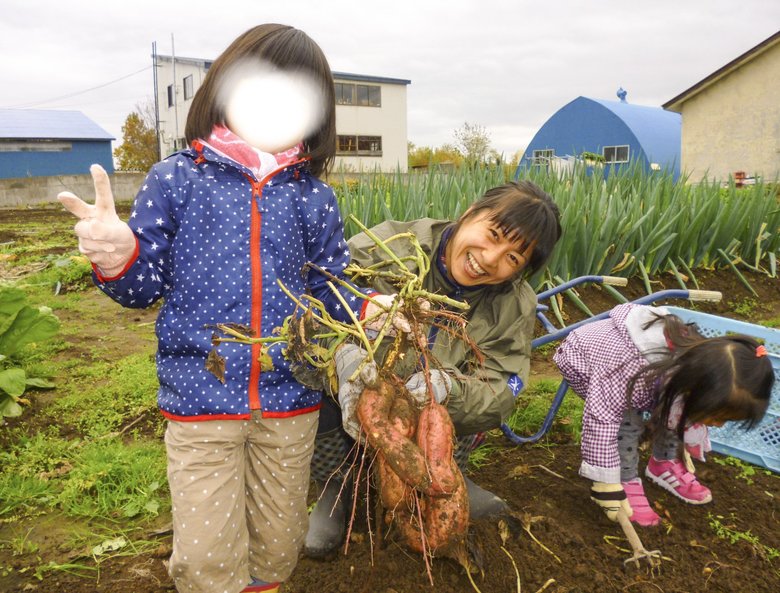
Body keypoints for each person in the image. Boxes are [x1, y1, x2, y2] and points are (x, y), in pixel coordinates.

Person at [57, 23, 404, 593]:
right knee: (206, 558)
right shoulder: (176, 179)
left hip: (288, 400)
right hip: (200, 401)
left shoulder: (313, 196)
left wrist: (369, 308)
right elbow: (141, 288)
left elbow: (329, 288)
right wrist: (119, 257)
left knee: (277, 546)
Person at [304, 180, 562, 557]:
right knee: (307, 389)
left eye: (513, 258)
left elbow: (503, 385)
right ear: (470, 213)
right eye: (492, 235)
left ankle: (444, 479)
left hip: (429, 427)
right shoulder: (387, 249)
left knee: (471, 407)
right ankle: (335, 484)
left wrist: (448, 389)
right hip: (350, 402)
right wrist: (342, 360)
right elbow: (313, 310)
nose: (490, 259)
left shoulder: (513, 303)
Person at [552, 304, 774, 527]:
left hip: (647, 378)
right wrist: (607, 483)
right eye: (718, 416)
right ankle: (624, 478)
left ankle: (663, 462)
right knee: (628, 422)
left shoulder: (701, 366)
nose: (717, 424)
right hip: (583, 360)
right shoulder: (628, 369)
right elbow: (602, 419)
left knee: (680, 410)